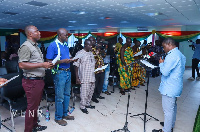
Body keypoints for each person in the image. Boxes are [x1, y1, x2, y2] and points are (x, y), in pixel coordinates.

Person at [18, 25, 53, 132]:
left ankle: (34, 125)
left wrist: (46, 64)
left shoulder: (35, 46)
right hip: (31, 82)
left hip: (38, 81)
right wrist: (42, 65)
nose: (39, 33)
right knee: (31, 107)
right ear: (30, 34)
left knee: (35, 106)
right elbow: (22, 65)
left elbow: (35, 62)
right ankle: (28, 130)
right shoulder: (26, 46)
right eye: (37, 31)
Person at [152, 38, 186, 132]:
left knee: (168, 111)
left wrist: (161, 64)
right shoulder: (180, 54)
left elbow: (165, 72)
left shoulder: (172, 56)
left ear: (169, 44)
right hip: (176, 85)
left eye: (164, 47)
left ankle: (166, 130)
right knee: (173, 108)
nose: (163, 49)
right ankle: (170, 124)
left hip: (170, 87)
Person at [46, 28, 76, 126]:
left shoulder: (65, 45)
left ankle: (65, 114)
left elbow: (66, 56)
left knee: (67, 95)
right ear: (59, 35)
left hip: (68, 72)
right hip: (59, 73)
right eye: (65, 35)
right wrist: (62, 61)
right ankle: (58, 118)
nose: (67, 36)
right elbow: (49, 62)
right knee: (60, 97)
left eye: (67, 35)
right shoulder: (53, 45)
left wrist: (71, 59)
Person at [73, 39, 96, 114]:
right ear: (85, 45)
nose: (90, 46)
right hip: (84, 76)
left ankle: (88, 103)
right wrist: (77, 77)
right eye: (89, 45)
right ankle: (83, 106)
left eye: (91, 45)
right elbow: (76, 66)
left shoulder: (91, 53)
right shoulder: (80, 53)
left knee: (91, 91)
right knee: (84, 92)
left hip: (92, 75)